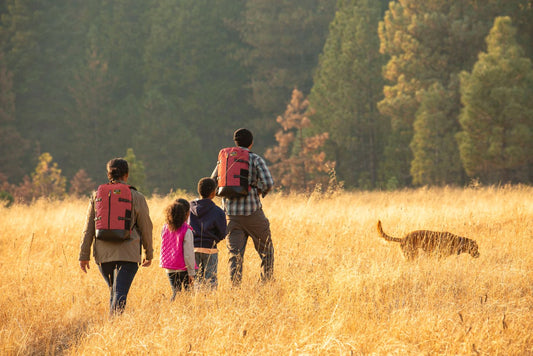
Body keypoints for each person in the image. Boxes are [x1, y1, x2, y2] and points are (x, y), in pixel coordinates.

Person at [79, 158, 153, 315]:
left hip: (104, 255)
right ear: (127, 175)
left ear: (108, 174)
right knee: (120, 293)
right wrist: (149, 252)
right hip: (129, 254)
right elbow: (146, 226)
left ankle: (111, 327)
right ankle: (114, 327)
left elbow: (88, 228)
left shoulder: (96, 196)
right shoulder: (137, 196)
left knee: (114, 291)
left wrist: (83, 255)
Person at [211, 128, 274, 286]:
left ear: (235, 142)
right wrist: (260, 191)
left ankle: (235, 288)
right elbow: (269, 183)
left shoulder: (224, 160)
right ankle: (266, 284)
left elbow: (212, 181)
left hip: (231, 215)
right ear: (251, 143)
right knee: (266, 251)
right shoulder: (255, 159)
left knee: (235, 255)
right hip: (253, 213)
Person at [189, 177, 227, 289]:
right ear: (213, 193)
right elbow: (222, 233)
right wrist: (214, 239)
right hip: (210, 249)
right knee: (211, 281)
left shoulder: (189, 208)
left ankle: (197, 303)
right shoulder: (218, 211)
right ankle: (208, 304)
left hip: (192, 249)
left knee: (195, 281)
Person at [160, 198, 196, 300]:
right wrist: (191, 273)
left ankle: (172, 310)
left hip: (169, 266)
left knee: (176, 293)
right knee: (188, 295)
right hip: (183, 267)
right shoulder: (187, 231)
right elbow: (188, 254)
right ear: (187, 214)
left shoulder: (165, 228)